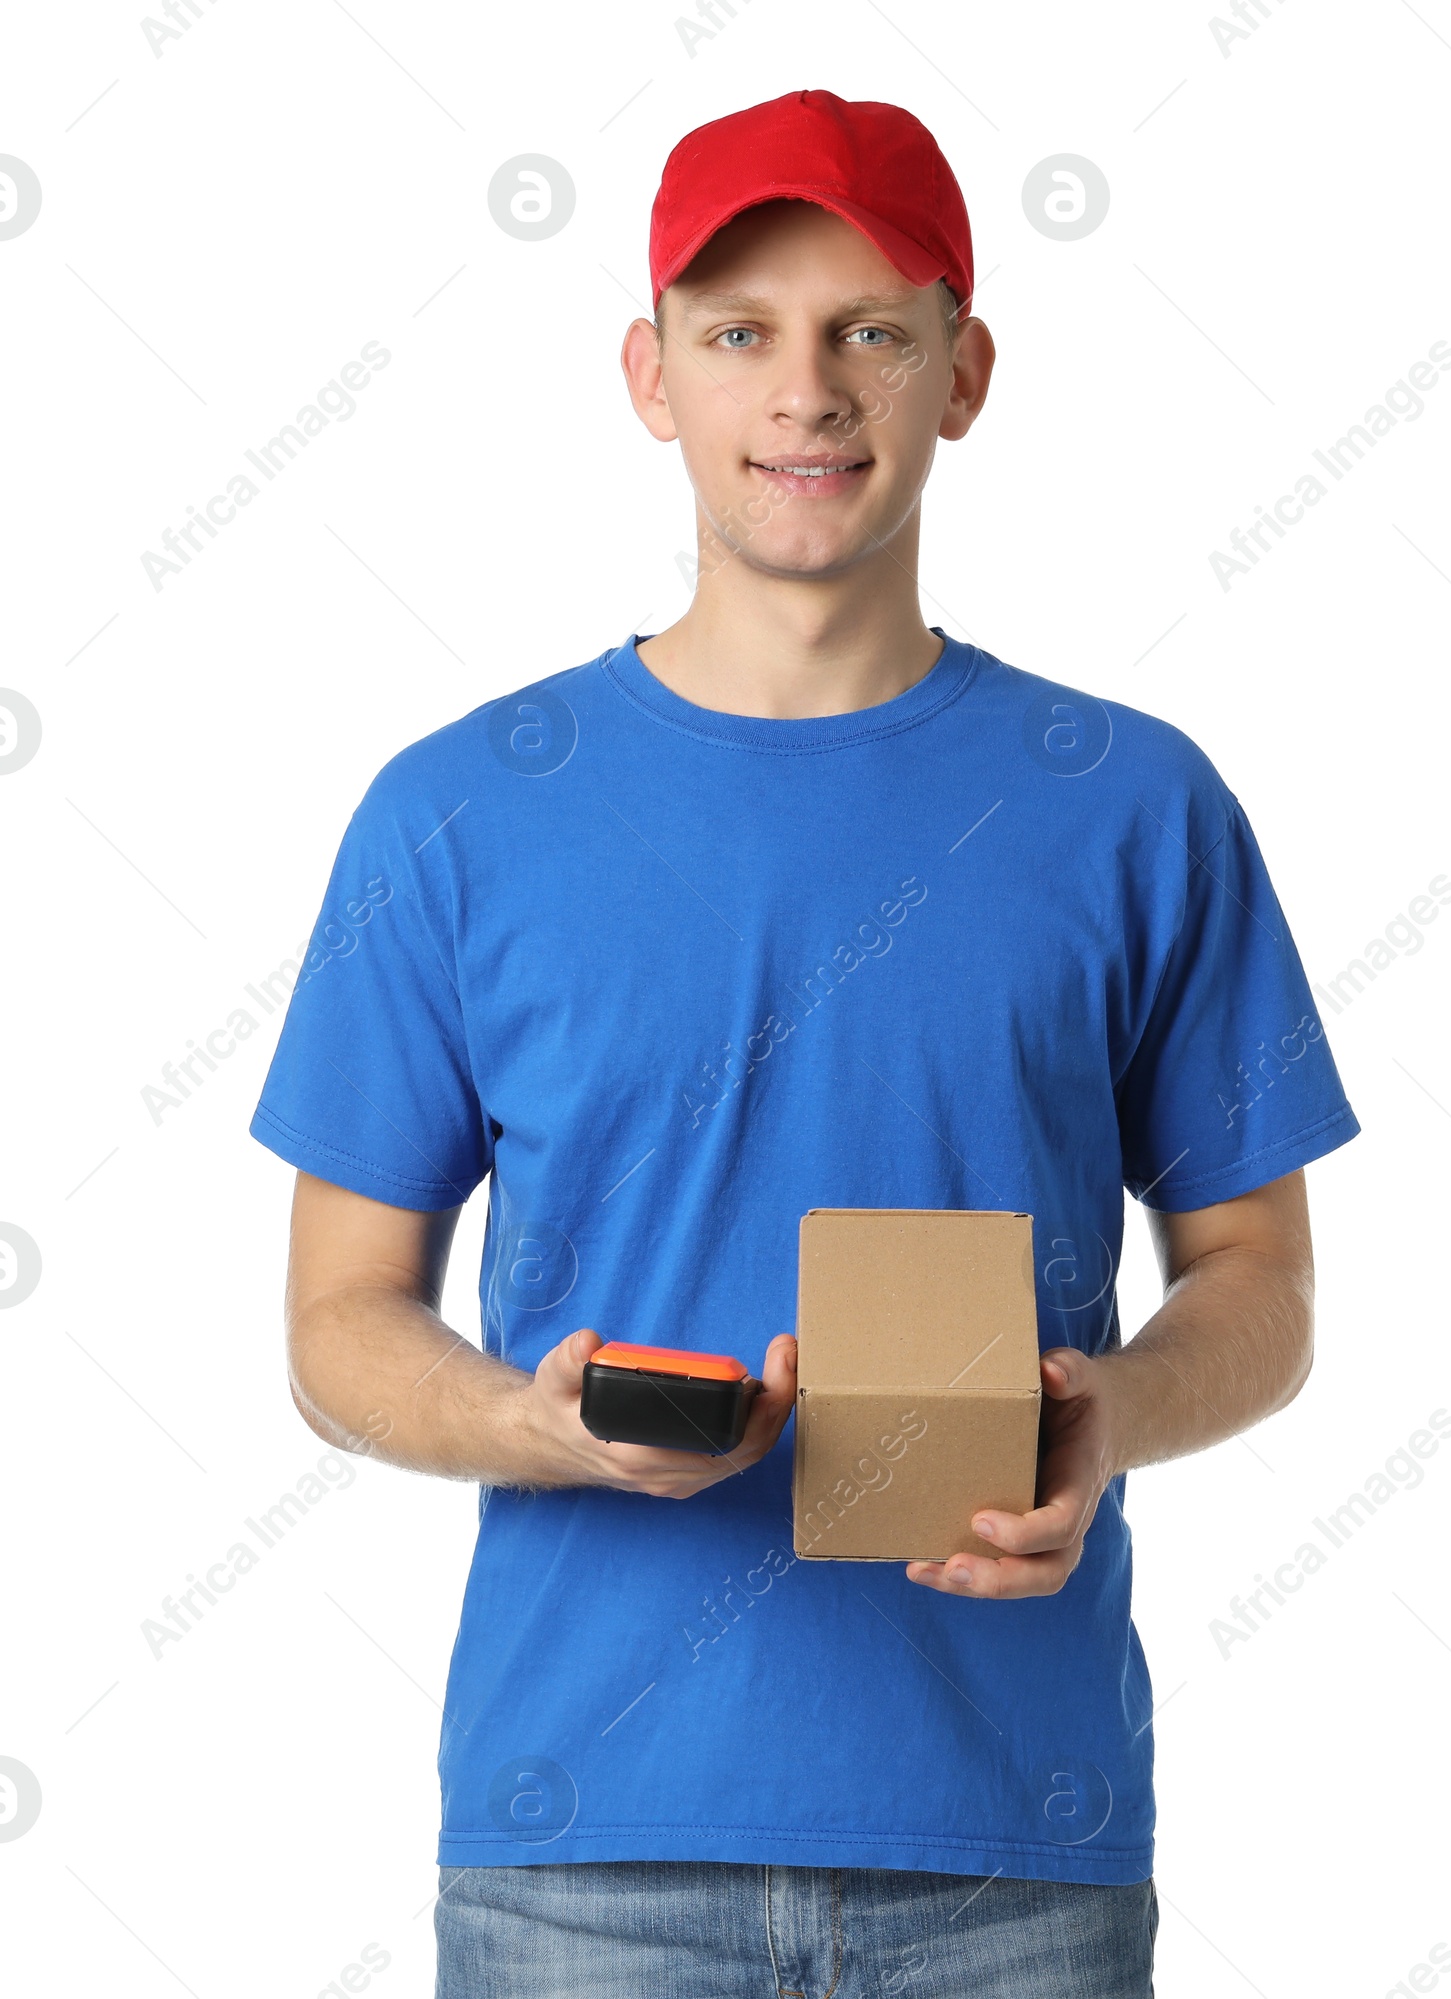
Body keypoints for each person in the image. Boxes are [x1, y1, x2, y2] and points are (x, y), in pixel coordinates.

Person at [250, 88, 1359, 1999]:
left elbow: (1259, 1279)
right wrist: (526, 1423)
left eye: (872, 329)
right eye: (740, 331)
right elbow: (337, 1324)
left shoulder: (1132, 806)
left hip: (1016, 1854)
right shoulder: (459, 816)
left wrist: (1113, 1416)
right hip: (584, 1856)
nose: (809, 391)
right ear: (648, 375)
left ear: (965, 368)